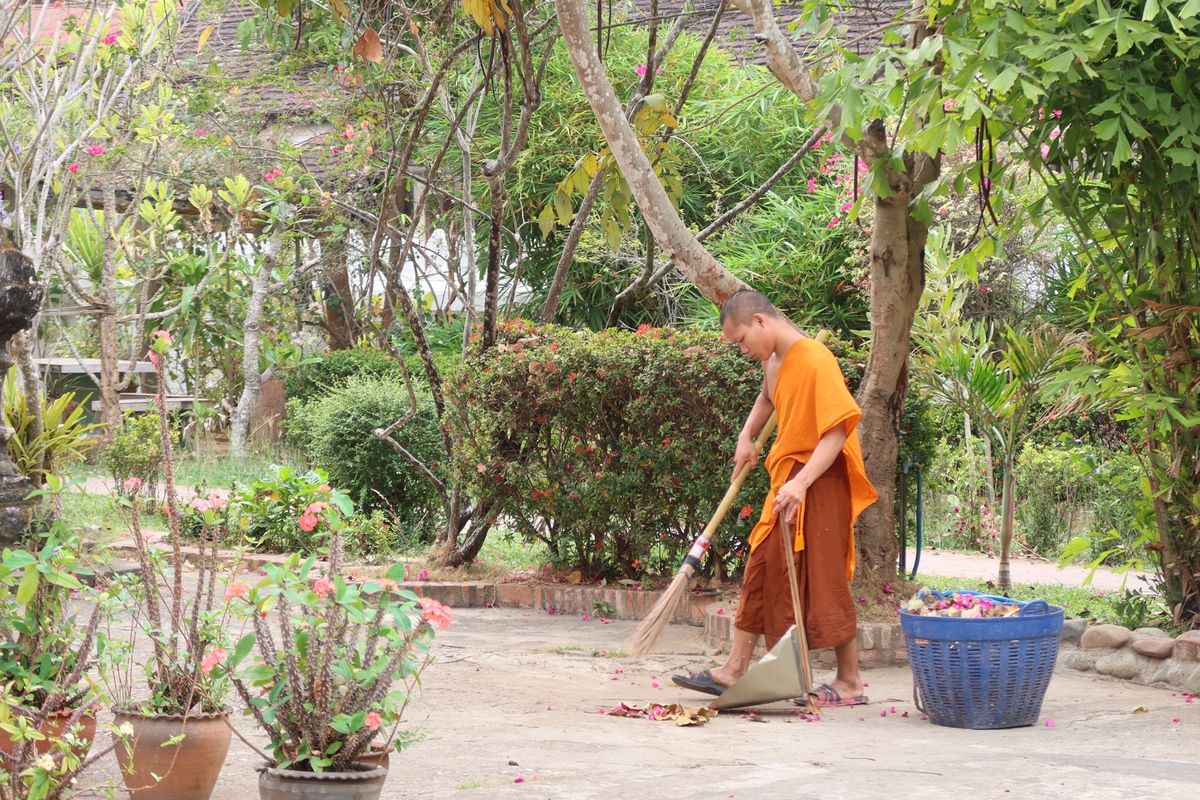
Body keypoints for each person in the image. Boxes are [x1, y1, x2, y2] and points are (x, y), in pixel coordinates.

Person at [672, 289, 878, 707]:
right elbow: (768, 398)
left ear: (761, 322)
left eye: (742, 340)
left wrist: (802, 484)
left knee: (823, 576)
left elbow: (836, 432)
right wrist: (746, 436)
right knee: (762, 564)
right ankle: (734, 670)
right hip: (787, 479)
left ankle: (851, 681)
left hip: (819, 481)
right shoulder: (775, 361)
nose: (744, 350)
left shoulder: (816, 358)